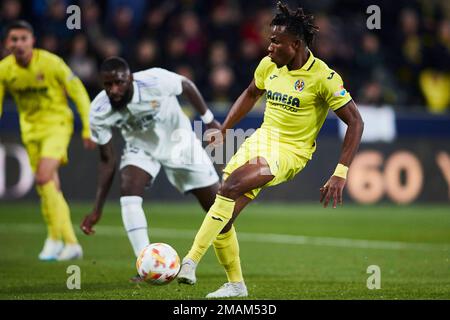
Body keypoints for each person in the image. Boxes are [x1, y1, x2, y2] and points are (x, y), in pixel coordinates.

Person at [177, 2, 364, 298]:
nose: (269, 47)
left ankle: (189, 261)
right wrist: (224, 129)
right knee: (224, 216)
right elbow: (251, 92)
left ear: (296, 44)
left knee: (229, 186)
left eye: (276, 41)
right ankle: (236, 285)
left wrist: (340, 172)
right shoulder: (269, 66)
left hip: (291, 152)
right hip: (260, 141)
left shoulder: (324, 78)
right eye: (270, 40)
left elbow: (355, 122)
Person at [80, 57, 221, 281]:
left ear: (130, 80)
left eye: (119, 83)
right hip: (141, 148)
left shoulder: (154, 80)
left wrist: (210, 120)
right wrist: (97, 209)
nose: (114, 90)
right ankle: (145, 265)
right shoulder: (99, 110)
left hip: (180, 142)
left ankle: (199, 261)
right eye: (108, 84)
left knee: (222, 214)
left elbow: (186, 85)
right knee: (128, 191)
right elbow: (107, 159)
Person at [0, 20, 95, 261]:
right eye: (14, 39)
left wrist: (87, 127)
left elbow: (79, 93)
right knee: (48, 186)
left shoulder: (52, 63)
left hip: (57, 126)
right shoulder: (4, 70)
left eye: (23, 38)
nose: (19, 44)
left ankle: (71, 243)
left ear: (32, 41)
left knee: (43, 177)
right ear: (7, 43)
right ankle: (54, 238)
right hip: (30, 131)